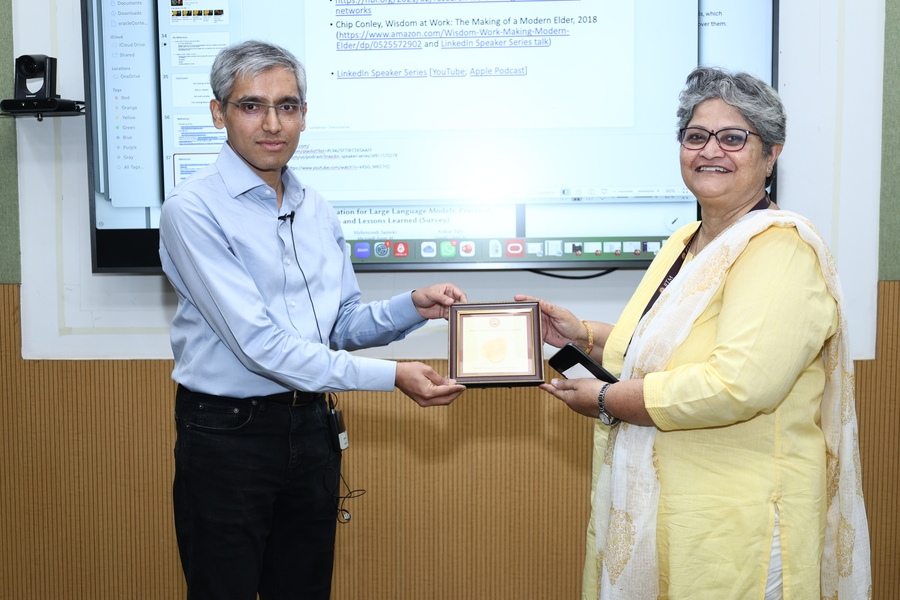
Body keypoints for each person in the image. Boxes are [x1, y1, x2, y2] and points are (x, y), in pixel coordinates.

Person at [517, 67, 871, 599]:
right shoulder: (687, 239)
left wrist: (608, 400)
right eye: (696, 136)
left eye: (733, 138)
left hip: (741, 526)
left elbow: (736, 385)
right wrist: (583, 334)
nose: (710, 151)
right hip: (671, 510)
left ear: (771, 154)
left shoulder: (780, 249)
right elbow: (670, 348)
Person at [158, 40, 467, 599]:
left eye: (288, 106)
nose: (272, 123)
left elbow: (339, 324)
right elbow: (260, 347)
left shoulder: (315, 206)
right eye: (251, 106)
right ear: (218, 113)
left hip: (311, 427)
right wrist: (393, 376)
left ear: (304, 114)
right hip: (229, 435)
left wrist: (411, 306)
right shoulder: (193, 209)